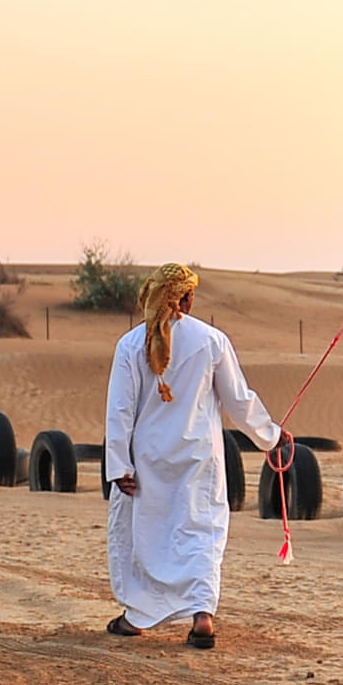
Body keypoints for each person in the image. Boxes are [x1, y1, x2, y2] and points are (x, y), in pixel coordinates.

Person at [104, 262, 281, 647]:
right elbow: (238, 401)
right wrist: (272, 437)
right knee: (200, 531)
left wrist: (118, 466)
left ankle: (138, 618)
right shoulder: (212, 340)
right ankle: (203, 616)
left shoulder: (130, 344)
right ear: (187, 297)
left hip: (147, 462)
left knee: (146, 535)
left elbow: (120, 410)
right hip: (200, 458)